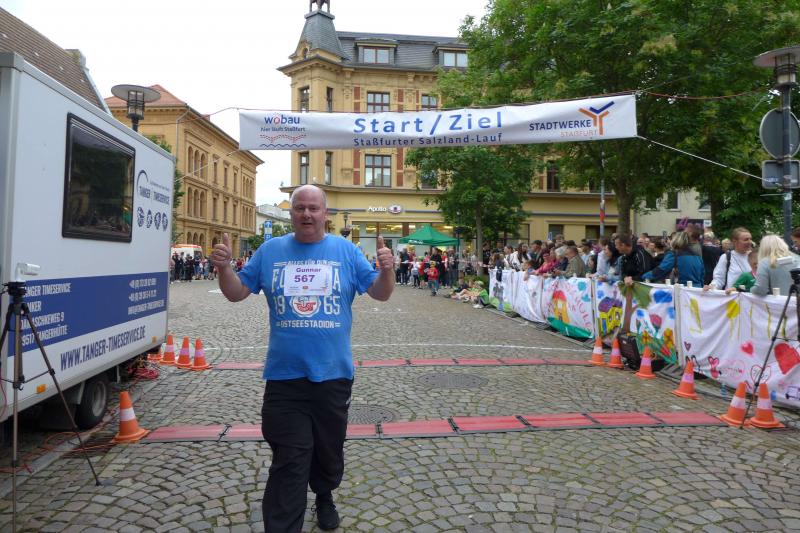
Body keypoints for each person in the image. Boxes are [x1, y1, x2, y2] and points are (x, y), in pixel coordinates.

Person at [211, 185, 394, 532]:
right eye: (300, 208)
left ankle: (324, 494)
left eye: (313, 208)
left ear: (325, 214)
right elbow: (236, 292)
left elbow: (380, 293)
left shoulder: (346, 251)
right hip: (285, 376)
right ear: (291, 213)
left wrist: (387, 270)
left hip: (333, 374)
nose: (306, 214)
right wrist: (223, 268)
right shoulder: (270, 251)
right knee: (290, 457)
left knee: (328, 450)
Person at [704, 227, 753, 291]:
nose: (750, 242)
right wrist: (712, 287)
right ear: (735, 241)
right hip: (731, 296)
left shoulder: (755, 257)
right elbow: (719, 279)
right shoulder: (726, 257)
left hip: (751, 296)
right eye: (746, 240)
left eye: (750, 239)